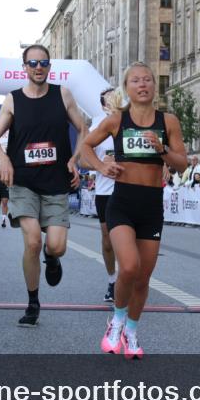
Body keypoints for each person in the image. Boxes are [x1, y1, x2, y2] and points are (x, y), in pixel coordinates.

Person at [80, 62, 188, 358]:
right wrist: (102, 166)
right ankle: (115, 321)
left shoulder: (168, 121)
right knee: (128, 267)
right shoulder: (117, 120)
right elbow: (85, 147)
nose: (143, 85)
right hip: (123, 202)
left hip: (152, 205)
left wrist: (162, 150)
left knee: (143, 278)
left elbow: (183, 163)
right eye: (136, 81)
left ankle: (131, 330)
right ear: (126, 88)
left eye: (148, 80)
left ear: (155, 86)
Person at [0, 44, 87, 327]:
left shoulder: (62, 95)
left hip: (56, 181)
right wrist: (4, 160)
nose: (38, 67)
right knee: (33, 240)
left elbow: (83, 129)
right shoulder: (14, 100)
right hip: (24, 182)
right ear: (25, 67)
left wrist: (75, 160)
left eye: (43, 62)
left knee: (56, 246)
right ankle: (33, 302)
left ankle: (51, 259)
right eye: (32, 63)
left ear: (49, 66)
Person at [93, 88, 120, 303]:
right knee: (108, 240)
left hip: (130, 189)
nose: (115, 102)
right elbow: (83, 159)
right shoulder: (97, 128)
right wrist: (101, 165)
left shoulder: (133, 124)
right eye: (110, 100)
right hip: (104, 191)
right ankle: (112, 280)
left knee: (131, 239)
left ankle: (130, 279)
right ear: (103, 106)